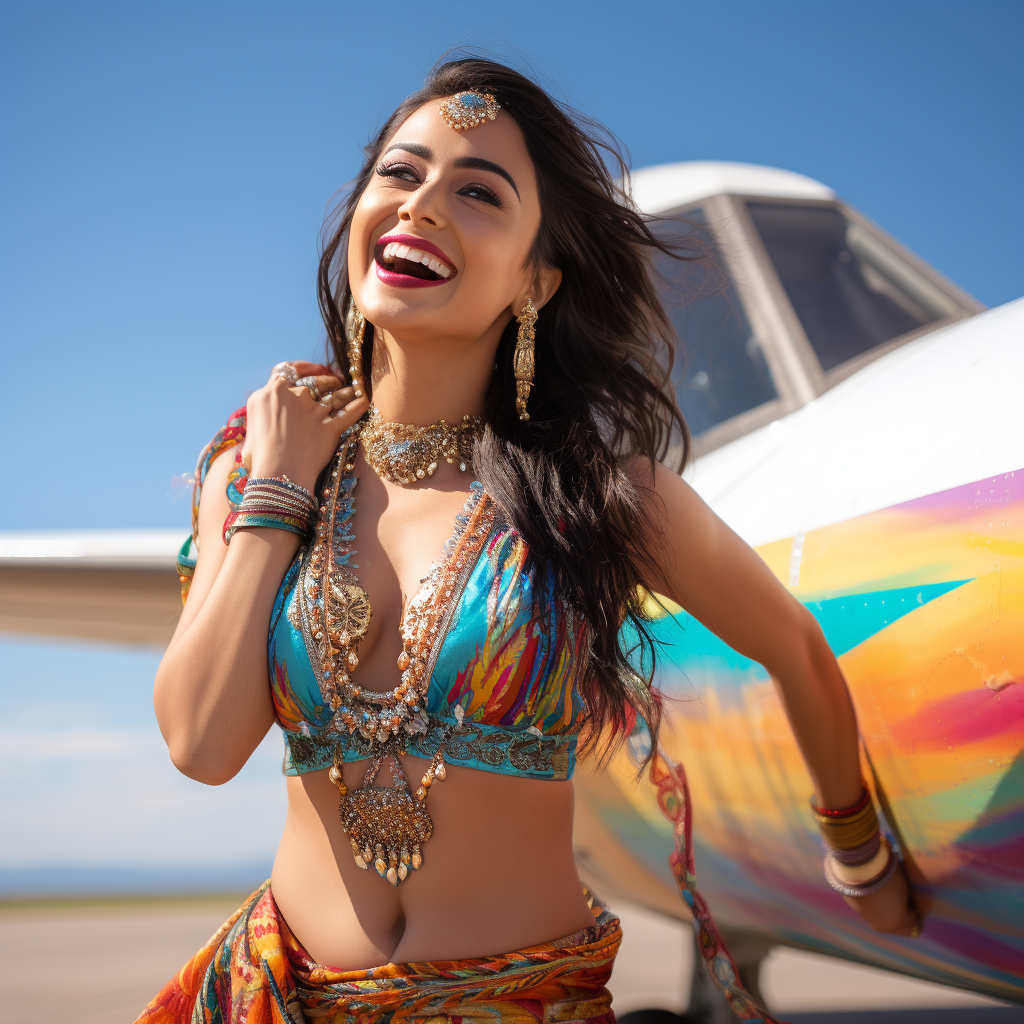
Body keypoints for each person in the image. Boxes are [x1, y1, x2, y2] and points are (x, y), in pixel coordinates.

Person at [138, 58, 921, 1024]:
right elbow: (204, 745)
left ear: (536, 278)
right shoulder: (253, 470)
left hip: (523, 1002)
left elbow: (797, 649)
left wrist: (860, 855)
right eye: (400, 172)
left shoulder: (600, 499)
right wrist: (278, 494)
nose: (422, 204)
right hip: (283, 998)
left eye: (477, 193)